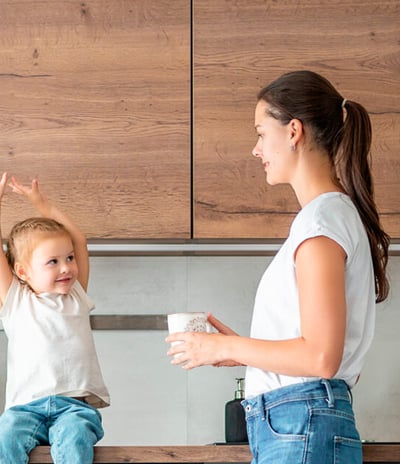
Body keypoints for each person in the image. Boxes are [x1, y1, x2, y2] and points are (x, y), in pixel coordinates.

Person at [166, 70, 390, 464]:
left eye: (260, 132)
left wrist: (226, 345)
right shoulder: (327, 218)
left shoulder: (321, 223)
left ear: (293, 132)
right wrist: (241, 355)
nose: (256, 149)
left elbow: (321, 357)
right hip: (298, 422)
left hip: (299, 422)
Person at [0, 173, 110, 464]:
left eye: (69, 258)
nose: (66, 268)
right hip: (24, 409)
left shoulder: (75, 296)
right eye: (53, 261)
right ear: (23, 272)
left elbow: (80, 241)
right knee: (4, 437)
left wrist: (43, 205)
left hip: (74, 407)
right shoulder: (17, 301)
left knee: (74, 440)